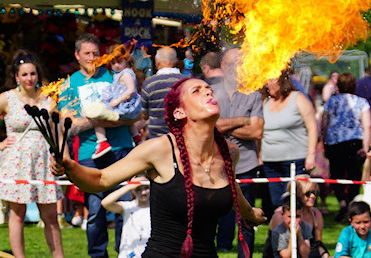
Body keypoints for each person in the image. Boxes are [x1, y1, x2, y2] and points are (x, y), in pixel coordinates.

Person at [51, 78, 266, 257]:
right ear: (180, 113)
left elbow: (230, 187)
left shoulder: (229, 152)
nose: (208, 93)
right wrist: (70, 167)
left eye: (209, 90)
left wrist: (249, 212)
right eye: (197, 91)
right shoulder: (159, 149)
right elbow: (100, 180)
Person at [58, 34, 135, 257]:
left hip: (121, 148)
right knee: (94, 211)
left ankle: (125, 252)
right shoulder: (69, 84)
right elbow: (67, 124)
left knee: (125, 206)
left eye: (95, 53)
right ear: (77, 56)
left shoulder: (115, 76)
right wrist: (99, 120)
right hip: (89, 153)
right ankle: (98, 255)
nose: (92, 58)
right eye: (87, 54)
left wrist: (104, 119)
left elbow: (133, 113)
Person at [0, 50, 64, 258]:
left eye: (33, 74)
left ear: (38, 75)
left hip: (44, 160)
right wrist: (0, 144)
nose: (29, 78)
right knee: (17, 215)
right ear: (16, 76)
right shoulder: (6, 99)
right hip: (16, 161)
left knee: (51, 216)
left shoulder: (48, 99)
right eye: (25, 74)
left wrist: (61, 156)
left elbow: (57, 130)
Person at [212, 48, 264, 255]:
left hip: (246, 164)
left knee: (247, 217)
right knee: (215, 213)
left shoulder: (253, 94)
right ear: (223, 66)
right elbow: (209, 127)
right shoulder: (211, 92)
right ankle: (220, 247)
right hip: (216, 164)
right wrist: (243, 121)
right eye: (233, 64)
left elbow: (257, 130)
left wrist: (223, 124)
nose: (238, 69)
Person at [261, 69, 318, 210]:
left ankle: (301, 230)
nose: (268, 85)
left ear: (282, 81)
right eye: (266, 81)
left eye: (271, 80)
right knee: (278, 204)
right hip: (271, 163)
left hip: (297, 161)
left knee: (298, 203)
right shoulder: (265, 102)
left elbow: (312, 127)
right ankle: (279, 231)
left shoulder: (298, 98)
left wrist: (311, 155)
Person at [322, 72, 371, 222]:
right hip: (354, 142)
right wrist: (366, 147)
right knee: (354, 175)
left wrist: (324, 142)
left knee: (336, 174)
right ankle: (351, 204)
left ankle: (342, 202)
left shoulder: (330, 102)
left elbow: (324, 124)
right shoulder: (361, 102)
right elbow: (367, 125)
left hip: (335, 142)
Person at [84, 44, 142, 159]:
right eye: (113, 63)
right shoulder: (119, 74)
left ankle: (102, 142)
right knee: (129, 121)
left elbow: (131, 90)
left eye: (119, 61)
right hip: (126, 107)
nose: (116, 65)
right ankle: (137, 137)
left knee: (96, 116)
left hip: (124, 106)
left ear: (126, 60)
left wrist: (116, 101)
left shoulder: (126, 73)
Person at [265, 176, 329, 258]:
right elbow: (280, 252)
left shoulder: (316, 214)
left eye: (314, 192)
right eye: (308, 193)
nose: (313, 196)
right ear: (297, 193)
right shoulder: (280, 215)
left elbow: (318, 243)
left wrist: (325, 255)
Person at [101, 174, 151, 258]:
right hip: (128, 254)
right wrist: (128, 187)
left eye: (146, 188)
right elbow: (105, 203)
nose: (143, 192)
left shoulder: (155, 208)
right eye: (138, 189)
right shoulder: (128, 207)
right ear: (132, 191)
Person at [140, 46, 183, 139]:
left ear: (157, 62)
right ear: (175, 61)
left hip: (156, 138)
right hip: (181, 138)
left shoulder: (149, 83)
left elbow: (143, 113)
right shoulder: (186, 82)